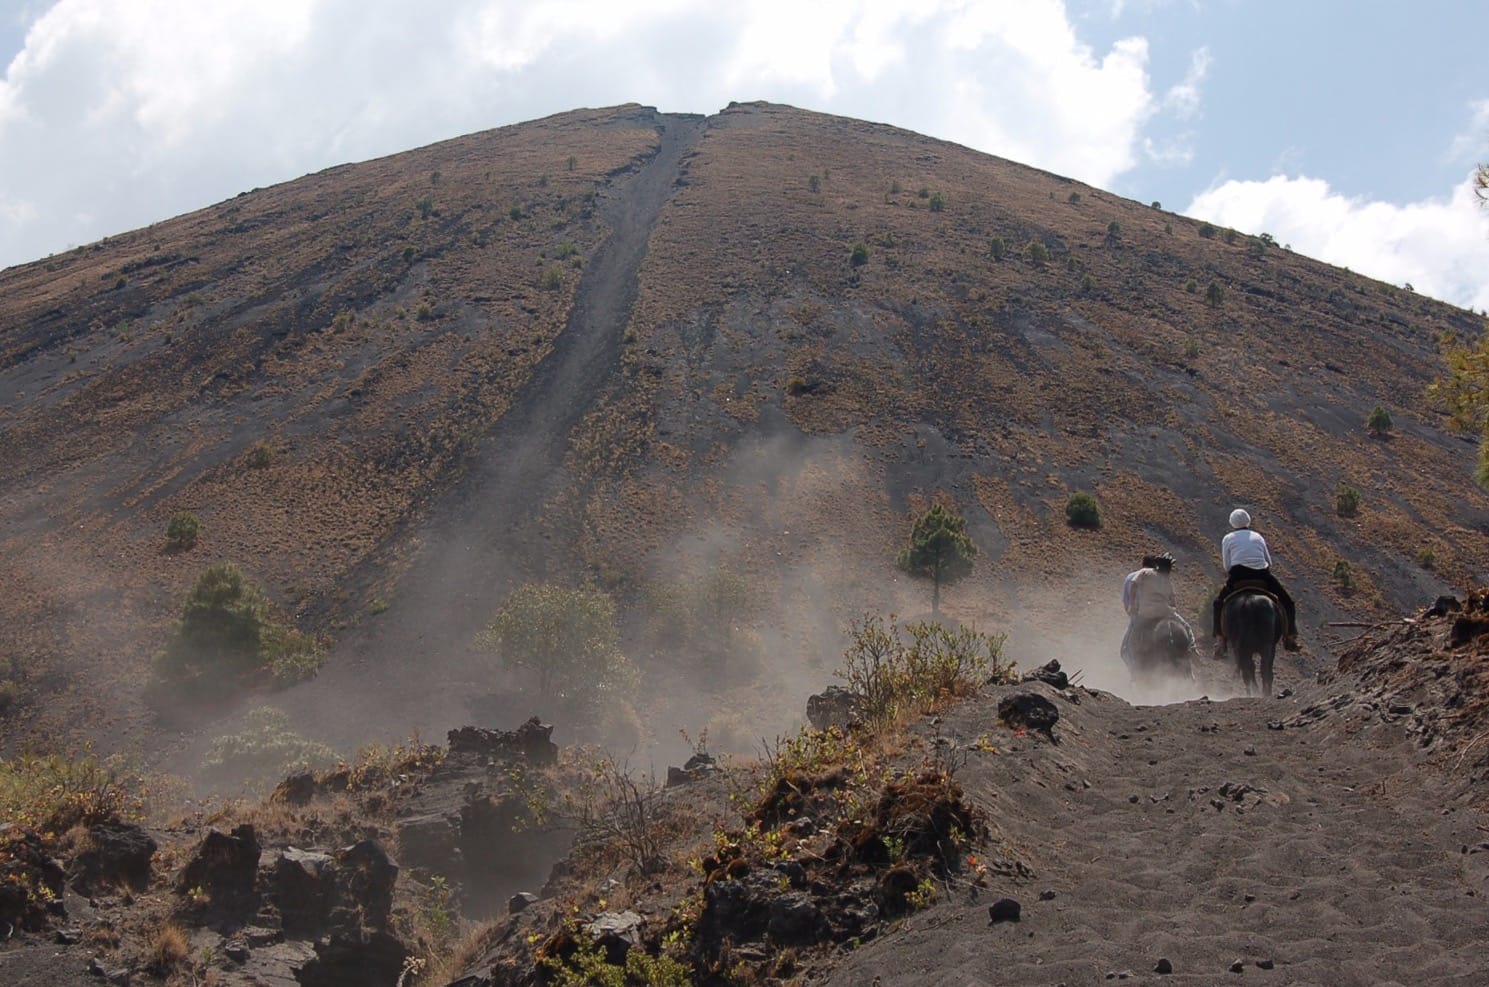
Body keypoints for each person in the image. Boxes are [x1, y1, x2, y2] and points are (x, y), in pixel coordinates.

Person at [1212, 508, 1299, 654]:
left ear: (1232, 523)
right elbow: (1268, 562)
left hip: (1238, 576)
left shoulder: (1228, 538)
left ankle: (1220, 641)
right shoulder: (1258, 536)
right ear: (1248, 521)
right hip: (1262, 575)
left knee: (1218, 604)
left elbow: (1227, 565)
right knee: (1288, 602)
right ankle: (1290, 636)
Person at [1121, 552, 1191, 668]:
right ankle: (1192, 652)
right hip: (1165, 612)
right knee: (1186, 627)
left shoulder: (1145, 573)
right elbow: (1173, 599)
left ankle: (1135, 666)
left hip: (1147, 612)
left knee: (1130, 640)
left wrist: (1132, 605)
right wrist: (1173, 609)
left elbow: (1133, 584)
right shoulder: (1166, 579)